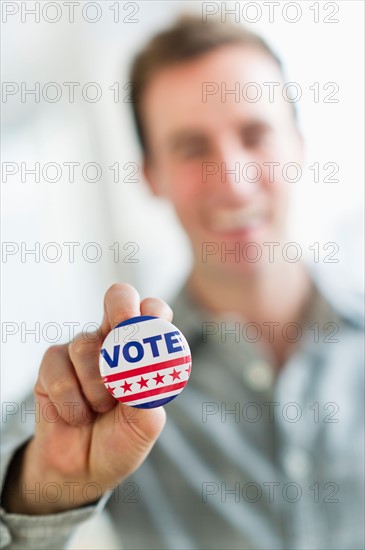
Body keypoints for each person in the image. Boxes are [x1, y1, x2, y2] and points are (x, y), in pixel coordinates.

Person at [1, 15, 363, 550]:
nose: (235, 184)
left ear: (299, 145)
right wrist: (43, 489)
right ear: (151, 174)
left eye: (255, 134)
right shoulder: (109, 386)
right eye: (193, 149)